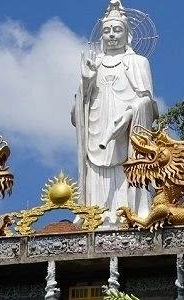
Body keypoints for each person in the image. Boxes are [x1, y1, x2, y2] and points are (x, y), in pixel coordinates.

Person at [72, 0, 157, 227]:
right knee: (96, 172)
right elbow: (77, 111)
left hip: (126, 133)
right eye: (107, 30)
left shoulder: (138, 62)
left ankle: (130, 212)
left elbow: (147, 102)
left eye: (117, 30)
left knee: (125, 169)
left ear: (127, 35)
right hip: (97, 130)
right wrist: (87, 81)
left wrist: (130, 114)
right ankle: (96, 216)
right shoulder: (95, 64)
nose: (111, 35)